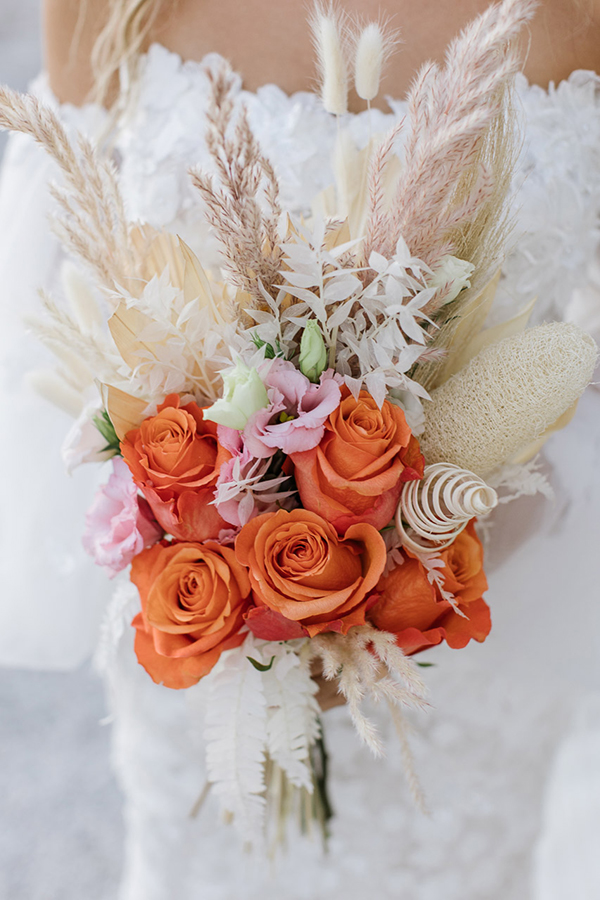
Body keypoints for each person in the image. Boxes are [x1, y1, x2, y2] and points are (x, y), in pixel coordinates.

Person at [1, 0, 599, 897]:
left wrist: (403, 554)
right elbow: (60, 297)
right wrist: (214, 542)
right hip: (199, 645)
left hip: (471, 638)